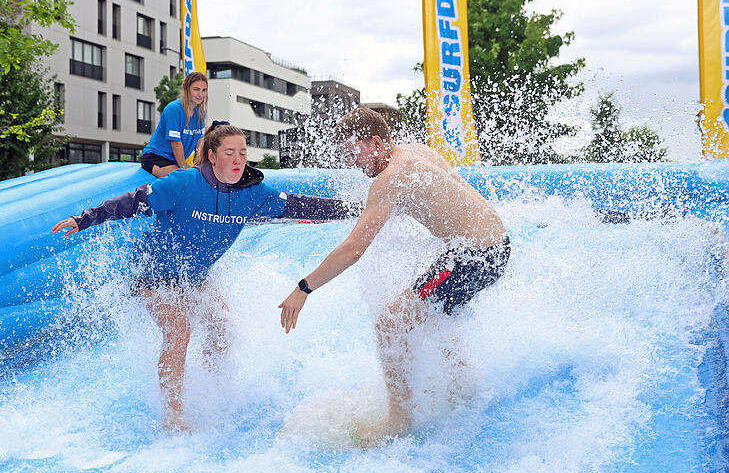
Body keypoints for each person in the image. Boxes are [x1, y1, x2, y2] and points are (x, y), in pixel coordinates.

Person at [53, 123, 359, 432]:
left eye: (242, 152)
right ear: (212, 156)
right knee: (179, 330)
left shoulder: (253, 193)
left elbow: (297, 205)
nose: (238, 160)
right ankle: (173, 413)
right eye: (230, 153)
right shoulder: (184, 183)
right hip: (152, 276)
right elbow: (133, 201)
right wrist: (85, 219)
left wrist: (357, 209)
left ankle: (214, 391)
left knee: (223, 328)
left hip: (194, 275)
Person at [278, 107, 510, 446]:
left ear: (375, 142)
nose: (353, 164)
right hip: (488, 245)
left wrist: (304, 288)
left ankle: (400, 419)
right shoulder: (416, 152)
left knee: (390, 321)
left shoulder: (391, 178)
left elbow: (353, 250)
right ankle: (463, 384)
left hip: (474, 256)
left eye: (354, 153)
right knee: (430, 313)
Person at [141, 71, 208, 178]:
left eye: (204, 90)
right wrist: (183, 168)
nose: (200, 94)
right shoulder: (174, 109)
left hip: (174, 162)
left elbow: (199, 143)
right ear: (187, 89)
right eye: (196, 89)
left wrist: (201, 167)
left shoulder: (200, 113)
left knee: (198, 178)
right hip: (155, 158)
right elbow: (176, 143)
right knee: (183, 178)